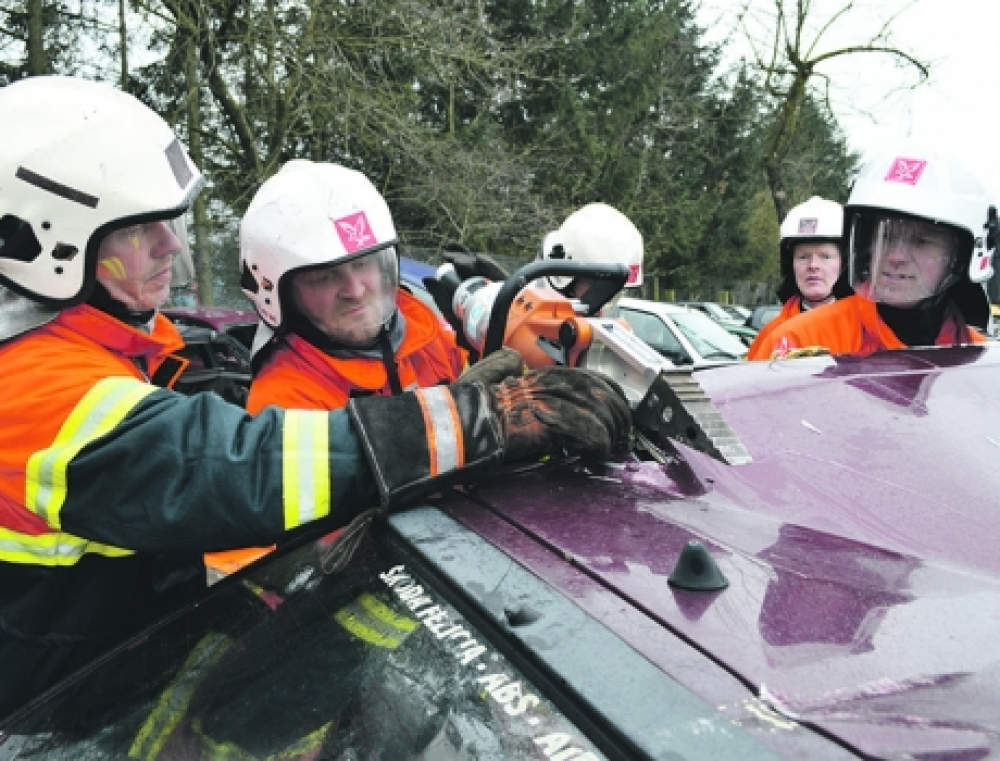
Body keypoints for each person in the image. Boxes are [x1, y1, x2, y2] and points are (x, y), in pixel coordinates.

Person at [0, 75, 630, 719]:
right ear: (36, 241)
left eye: (169, 223)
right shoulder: (24, 385)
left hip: (102, 679)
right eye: (137, 231)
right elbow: (232, 467)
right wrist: (480, 421)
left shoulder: (97, 352)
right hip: (57, 718)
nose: (168, 246)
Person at [243, 160, 466, 414]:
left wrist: (495, 329)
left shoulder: (424, 334)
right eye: (325, 277)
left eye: (362, 264)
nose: (356, 291)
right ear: (283, 298)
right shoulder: (284, 401)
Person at [751, 144, 995, 359]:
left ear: (961, 256)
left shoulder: (980, 363)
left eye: (920, 241)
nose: (896, 256)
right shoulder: (796, 343)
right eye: (885, 237)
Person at [745, 196, 851, 360]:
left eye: (825, 257)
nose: (813, 265)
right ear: (791, 265)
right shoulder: (771, 337)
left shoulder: (869, 330)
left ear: (845, 264)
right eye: (803, 257)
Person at [540, 202, 644, 312]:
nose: (604, 302)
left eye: (615, 293)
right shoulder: (530, 320)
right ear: (565, 277)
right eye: (600, 289)